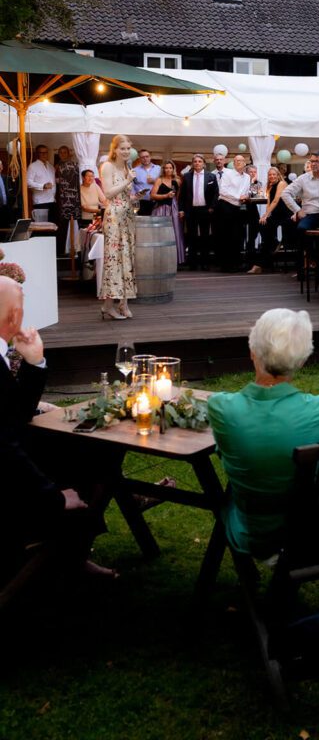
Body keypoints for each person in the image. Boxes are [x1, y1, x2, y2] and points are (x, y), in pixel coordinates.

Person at [0, 278, 114, 583]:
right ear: (13, 317)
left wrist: (34, 362)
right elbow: (3, 446)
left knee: (94, 448)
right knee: (102, 458)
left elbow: (13, 414)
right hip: (7, 486)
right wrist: (54, 498)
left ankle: (71, 552)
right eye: (23, 307)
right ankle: (67, 553)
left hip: (16, 457)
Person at [207, 309, 319, 558]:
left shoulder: (222, 408)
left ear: (251, 352)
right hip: (312, 530)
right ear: (301, 361)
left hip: (252, 533)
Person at [99, 135, 137, 320]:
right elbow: (108, 193)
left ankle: (124, 303)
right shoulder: (107, 166)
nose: (126, 151)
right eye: (122, 148)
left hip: (127, 216)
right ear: (114, 149)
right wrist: (127, 181)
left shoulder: (126, 167)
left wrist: (134, 197)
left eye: (128, 148)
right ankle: (108, 305)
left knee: (127, 259)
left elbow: (123, 194)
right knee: (114, 261)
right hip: (114, 217)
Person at [178, 154, 218, 271]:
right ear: (192, 164)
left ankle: (205, 263)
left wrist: (212, 207)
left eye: (200, 161)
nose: (197, 163)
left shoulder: (211, 176)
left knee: (205, 237)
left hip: (205, 210)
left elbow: (216, 193)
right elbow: (182, 196)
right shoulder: (186, 177)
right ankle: (193, 263)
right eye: (195, 161)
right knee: (192, 237)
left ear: (204, 164)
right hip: (191, 210)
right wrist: (181, 209)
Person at [248, 167, 292, 273]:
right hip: (276, 214)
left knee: (267, 231)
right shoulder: (269, 186)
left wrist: (266, 214)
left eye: (274, 174)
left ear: (278, 175)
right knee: (263, 225)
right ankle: (274, 244)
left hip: (285, 214)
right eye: (270, 175)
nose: (272, 176)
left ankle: (260, 264)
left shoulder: (282, 183)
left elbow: (276, 200)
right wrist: (265, 216)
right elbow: (268, 202)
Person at [215, 154, 251, 272]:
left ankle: (236, 263)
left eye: (241, 161)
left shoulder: (247, 177)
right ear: (233, 163)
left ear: (245, 163)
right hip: (225, 206)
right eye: (236, 161)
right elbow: (223, 191)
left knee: (237, 235)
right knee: (225, 236)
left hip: (237, 208)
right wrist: (238, 197)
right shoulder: (228, 174)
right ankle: (225, 265)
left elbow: (246, 190)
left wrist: (246, 196)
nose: (239, 162)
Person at [150, 160, 184, 266]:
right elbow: (152, 195)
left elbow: (179, 197)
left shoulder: (177, 180)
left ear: (173, 169)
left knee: (175, 232)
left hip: (173, 208)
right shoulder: (159, 180)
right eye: (166, 168)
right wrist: (165, 196)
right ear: (163, 169)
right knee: (161, 234)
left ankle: (175, 259)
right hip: (161, 209)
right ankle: (160, 259)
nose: (168, 170)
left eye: (170, 168)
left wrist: (180, 209)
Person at [26, 144, 56, 221]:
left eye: (45, 152)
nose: (44, 154)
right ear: (37, 154)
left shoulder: (50, 166)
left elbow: (53, 181)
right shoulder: (33, 166)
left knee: (51, 227)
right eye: (41, 152)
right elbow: (28, 182)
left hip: (52, 201)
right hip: (40, 202)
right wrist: (43, 186)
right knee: (41, 226)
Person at [132, 149, 161, 216]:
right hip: (141, 202)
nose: (145, 159)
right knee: (142, 223)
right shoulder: (134, 171)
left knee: (155, 223)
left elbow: (165, 183)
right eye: (142, 157)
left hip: (156, 201)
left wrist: (154, 181)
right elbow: (132, 186)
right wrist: (134, 197)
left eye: (147, 156)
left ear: (150, 157)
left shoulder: (159, 169)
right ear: (139, 159)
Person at [0, 157, 17, 228]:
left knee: (5, 230)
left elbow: (13, 192)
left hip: (6, 209)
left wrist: (10, 205)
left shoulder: (6, 178)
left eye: (0, 165)